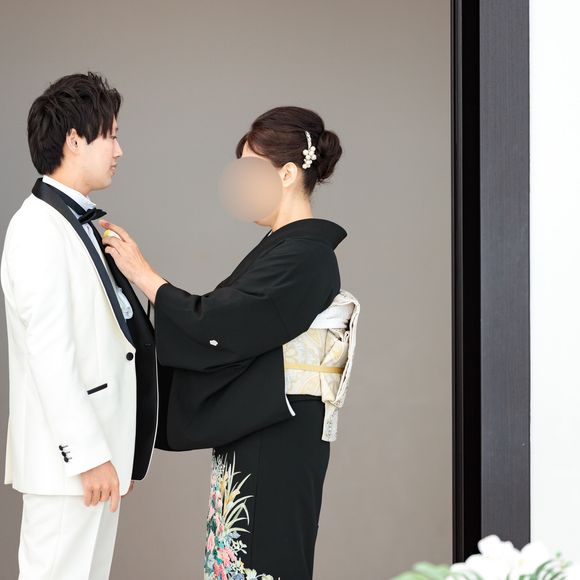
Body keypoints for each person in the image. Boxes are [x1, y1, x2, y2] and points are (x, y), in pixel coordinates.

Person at [101, 106, 360, 580]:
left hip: (278, 433)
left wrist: (145, 276)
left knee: (262, 559)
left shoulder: (308, 255)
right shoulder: (285, 249)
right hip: (255, 424)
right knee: (236, 557)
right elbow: (226, 324)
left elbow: (226, 324)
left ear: (286, 174)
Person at [0, 72, 158, 580]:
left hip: (95, 462)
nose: (119, 150)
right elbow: (49, 353)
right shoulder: (37, 228)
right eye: (111, 135)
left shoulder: (76, 223)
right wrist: (87, 456)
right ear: (74, 140)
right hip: (70, 467)